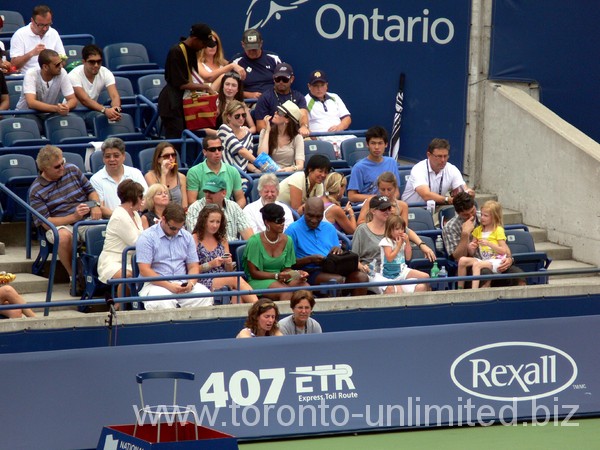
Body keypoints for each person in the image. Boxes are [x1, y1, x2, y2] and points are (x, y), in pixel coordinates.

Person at [29, 145, 102, 277]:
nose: (62, 167)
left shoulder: (72, 169)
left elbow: (91, 191)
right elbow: (46, 223)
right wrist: (74, 217)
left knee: (104, 230)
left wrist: (95, 205)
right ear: (44, 169)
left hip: (85, 219)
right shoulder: (36, 190)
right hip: (60, 224)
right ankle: (74, 277)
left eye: (62, 162)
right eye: (57, 166)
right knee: (63, 237)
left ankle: (101, 273)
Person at [136, 202, 213, 309]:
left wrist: (191, 283)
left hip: (183, 283)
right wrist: (169, 286)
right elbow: (144, 270)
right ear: (163, 219)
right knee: (162, 302)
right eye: (173, 228)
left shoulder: (187, 236)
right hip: (156, 284)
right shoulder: (147, 237)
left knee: (205, 296)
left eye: (179, 228)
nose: (176, 232)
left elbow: (193, 266)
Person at [286, 198, 368, 296]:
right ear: (303, 211)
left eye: (318, 216)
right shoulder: (292, 230)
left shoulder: (329, 228)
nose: (314, 220)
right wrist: (310, 259)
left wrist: (338, 251)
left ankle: (357, 310)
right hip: (310, 271)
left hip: (333, 267)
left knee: (361, 278)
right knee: (337, 281)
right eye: (310, 215)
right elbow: (288, 264)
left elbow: (336, 250)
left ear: (323, 214)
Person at [442, 192, 525, 287]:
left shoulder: (486, 216)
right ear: (458, 213)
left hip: (495, 261)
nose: (471, 216)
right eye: (466, 215)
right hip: (471, 266)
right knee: (485, 273)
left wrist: (509, 259)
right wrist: (465, 235)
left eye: (472, 211)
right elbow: (458, 258)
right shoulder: (450, 227)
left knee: (518, 276)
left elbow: (503, 246)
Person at [352, 196, 432, 294]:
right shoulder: (362, 230)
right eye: (383, 209)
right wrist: (362, 267)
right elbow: (353, 258)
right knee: (393, 289)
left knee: (422, 284)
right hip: (373, 271)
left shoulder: (393, 226)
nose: (387, 211)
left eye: (389, 208)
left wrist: (422, 245)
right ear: (373, 211)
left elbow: (408, 231)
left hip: (397, 269)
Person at [356, 172, 436, 261]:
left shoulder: (402, 206)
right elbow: (360, 222)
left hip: (393, 242)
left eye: (389, 189)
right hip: (372, 239)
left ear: (395, 188)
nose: (386, 193)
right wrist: (379, 219)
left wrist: (422, 245)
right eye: (382, 189)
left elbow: (404, 229)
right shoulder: (371, 201)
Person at [158, 23, 217, 140]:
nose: (204, 47)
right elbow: (180, 84)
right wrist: (205, 87)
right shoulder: (176, 52)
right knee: (177, 142)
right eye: (203, 43)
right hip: (172, 105)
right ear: (195, 39)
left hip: (185, 105)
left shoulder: (191, 51)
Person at [191, 204, 258, 304]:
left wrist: (228, 263)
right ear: (203, 221)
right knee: (236, 279)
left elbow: (228, 271)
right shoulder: (194, 238)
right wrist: (211, 264)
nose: (215, 225)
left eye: (218, 222)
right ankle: (259, 307)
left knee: (236, 295)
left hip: (224, 276)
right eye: (211, 221)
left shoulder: (222, 239)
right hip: (204, 279)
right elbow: (192, 269)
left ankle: (242, 318)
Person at [243, 203, 308, 302]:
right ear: (267, 222)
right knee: (285, 292)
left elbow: (287, 269)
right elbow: (254, 273)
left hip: (281, 278)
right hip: (258, 280)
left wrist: (297, 274)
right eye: (278, 221)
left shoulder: (288, 240)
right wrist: (276, 276)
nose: (282, 223)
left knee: (305, 288)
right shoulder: (254, 241)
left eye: (283, 220)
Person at [97, 180, 144, 297]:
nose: (142, 200)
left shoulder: (135, 214)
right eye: (140, 196)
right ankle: (119, 307)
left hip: (131, 260)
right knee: (129, 275)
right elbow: (136, 243)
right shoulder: (119, 216)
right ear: (133, 198)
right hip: (112, 262)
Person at [15, 49, 77, 133]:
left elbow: (72, 99)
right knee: (36, 127)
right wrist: (56, 109)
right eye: (57, 64)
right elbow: (31, 103)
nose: (61, 66)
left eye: (61, 63)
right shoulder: (31, 74)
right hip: (27, 113)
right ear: (45, 67)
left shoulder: (62, 72)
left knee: (68, 125)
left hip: (50, 113)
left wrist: (66, 107)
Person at [401, 138, 475, 207]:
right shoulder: (418, 169)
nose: (443, 160)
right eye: (439, 156)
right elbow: (426, 195)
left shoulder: (452, 169)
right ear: (429, 155)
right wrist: (447, 199)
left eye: (445, 156)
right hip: (413, 209)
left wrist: (468, 193)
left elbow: (462, 189)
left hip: (437, 207)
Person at [457, 201, 510, 289]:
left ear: (494, 217)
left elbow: (503, 251)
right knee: (462, 260)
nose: (482, 218)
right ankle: (459, 289)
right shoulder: (478, 230)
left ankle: (474, 292)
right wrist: (470, 247)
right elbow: (472, 252)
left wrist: (489, 244)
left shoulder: (498, 230)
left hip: (497, 261)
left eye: (486, 216)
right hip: (485, 260)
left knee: (477, 265)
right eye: (481, 215)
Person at [90, 137, 148, 216]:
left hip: (137, 218)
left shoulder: (136, 173)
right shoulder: (95, 179)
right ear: (103, 158)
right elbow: (101, 207)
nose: (112, 159)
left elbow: (145, 199)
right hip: (109, 222)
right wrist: (123, 217)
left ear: (123, 156)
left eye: (116, 156)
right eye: (107, 156)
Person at [68, 44, 122, 128]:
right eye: (92, 62)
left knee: (105, 119)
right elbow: (84, 100)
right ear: (84, 62)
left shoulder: (106, 72)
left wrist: (116, 109)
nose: (96, 65)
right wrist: (105, 110)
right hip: (72, 112)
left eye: (99, 61)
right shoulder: (73, 75)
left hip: (92, 111)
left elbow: (114, 96)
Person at [186, 175, 253, 241]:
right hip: (208, 250)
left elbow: (248, 235)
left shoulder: (234, 207)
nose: (208, 195)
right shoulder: (195, 208)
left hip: (233, 248)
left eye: (212, 192)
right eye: (206, 191)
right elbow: (199, 237)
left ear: (224, 193)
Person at [305, 69, 355, 156]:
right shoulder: (304, 101)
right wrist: (317, 141)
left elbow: (347, 118)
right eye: (316, 85)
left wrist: (339, 127)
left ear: (326, 85)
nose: (319, 89)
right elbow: (305, 127)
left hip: (340, 135)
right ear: (309, 86)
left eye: (322, 85)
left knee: (356, 142)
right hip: (320, 139)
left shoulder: (334, 97)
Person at [186, 135, 245, 207]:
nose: (217, 152)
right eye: (213, 149)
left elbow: (241, 198)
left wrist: (233, 211)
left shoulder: (233, 171)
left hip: (227, 212)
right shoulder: (194, 172)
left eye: (220, 148)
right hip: (203, 213)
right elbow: (192, 201)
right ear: (204, 152)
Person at [347, 126, 401, 204]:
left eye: (380, 143)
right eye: (373, 143)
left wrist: (390, 202)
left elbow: (396, 191)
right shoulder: (359, 167)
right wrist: (377, 199)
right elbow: (352, 196)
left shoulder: (392, 162)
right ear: (367, 144)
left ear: (386, 144)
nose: (376, 147)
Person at [377, 215, 430, 293]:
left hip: (403, 271)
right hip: (390, 274)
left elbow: (408, 257)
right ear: (390, 230)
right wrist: (398, 246)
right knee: (399, 291)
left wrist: (407, 242)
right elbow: (389, 258)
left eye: (402, 229)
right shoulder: (386, 241)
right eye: (397, 229)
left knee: (426, 276)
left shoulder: (402, 241)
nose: (400, 231)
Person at [254, 63, 310, 136]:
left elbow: (303, 115)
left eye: (285, 79)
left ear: (292, 79)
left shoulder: (298, 97)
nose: (281, 82)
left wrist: (303, 126)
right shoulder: (265, 97)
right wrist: (280, 136)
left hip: (295, 135)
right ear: (274, 79)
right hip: (273, 137)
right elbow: (260, 125)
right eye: (278, 79)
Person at [9, 5, 65, 73]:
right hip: (28, 76)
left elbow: (63, 58)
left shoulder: (53, 33)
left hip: (51, 74)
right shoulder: (19, 35)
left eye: (48, 25)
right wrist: (32, 53)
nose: (45, 29)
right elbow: (14, 64)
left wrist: (58, 64)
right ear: (32, 21)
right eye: (41, 25)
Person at [231, 29, 281, 99]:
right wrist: (248, 95)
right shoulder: (236, 62)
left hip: (273, 99)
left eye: (254, 49)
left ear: (261, 44)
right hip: (249, 102)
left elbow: (284, 82)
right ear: (243, 44)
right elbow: (228, 88)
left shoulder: (273, 58)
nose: (252, 52)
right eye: (249, 48)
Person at [257, 100, 305, 172]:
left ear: (287, 120)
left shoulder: (297, 137)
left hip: (287, 174)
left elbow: (300, 165)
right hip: (269, 173)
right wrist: (267, 131)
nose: (275, 113)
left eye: (280, 112)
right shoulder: (265, 131)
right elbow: (262, 156)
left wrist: (292, 168)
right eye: (277, 110)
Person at [218, 100, 260, 173]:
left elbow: (246, 161)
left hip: (243, 177)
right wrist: (262, 165)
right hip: (226, 175)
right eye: (237, 116)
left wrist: (257, 170)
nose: (241, 118)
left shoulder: (248, 135)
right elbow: (241, 151)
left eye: (243, 115)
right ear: (229, 117)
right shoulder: (223, 129)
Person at [144, 142, 188, 208]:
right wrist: (163, 174)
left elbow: (184, 205)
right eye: (166, 156)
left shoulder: (181, 177)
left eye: (173, 155)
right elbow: (160, 200)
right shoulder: (150, 176)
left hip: (178, 215)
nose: (171, 159)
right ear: (158, 159)